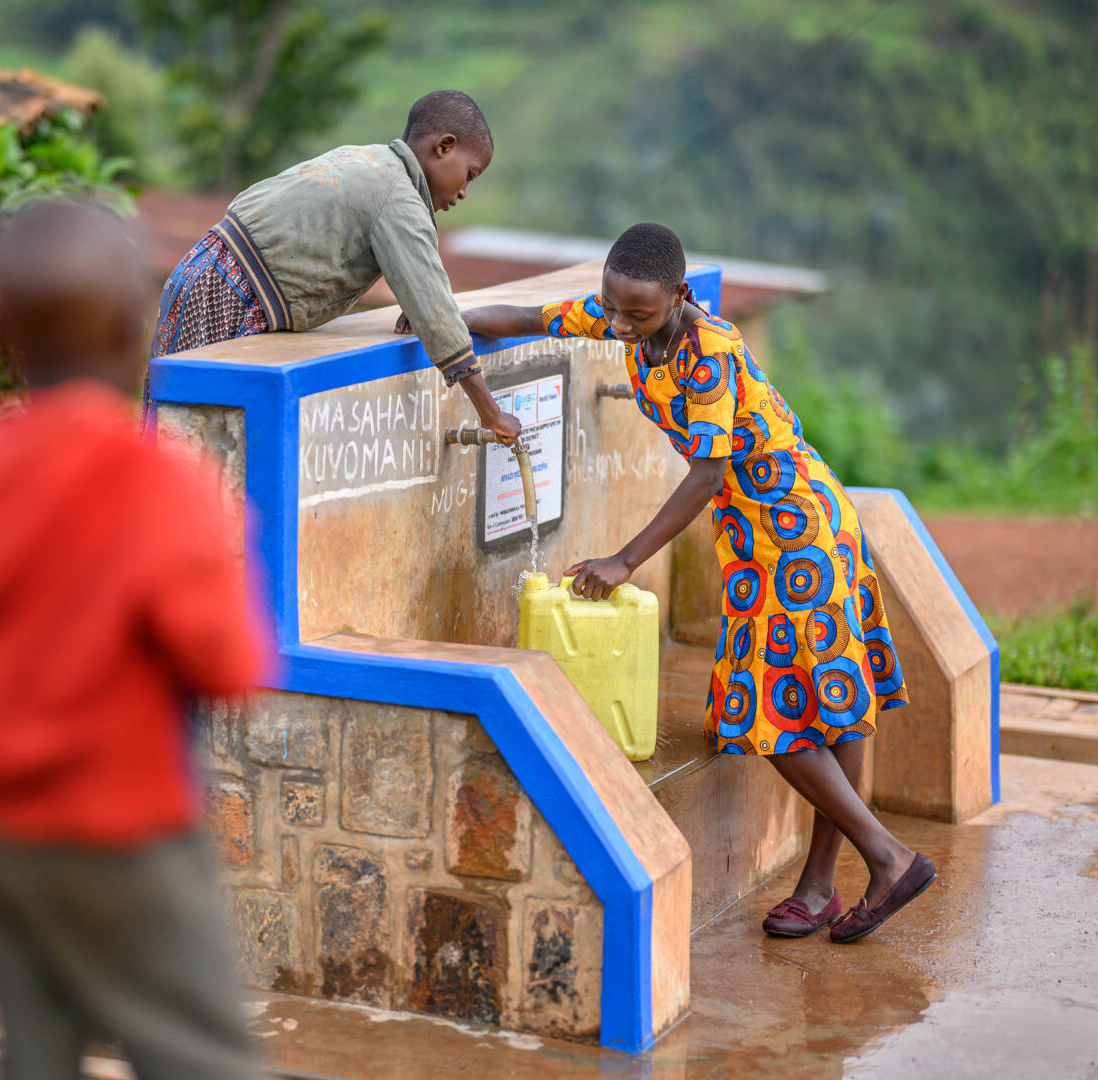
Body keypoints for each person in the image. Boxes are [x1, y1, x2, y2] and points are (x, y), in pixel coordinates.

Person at [0, 199, 275, 1080]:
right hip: (129, 832)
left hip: (0, 834)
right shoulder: (157, 485)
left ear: (3, 328)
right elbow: (231, 664)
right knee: (200, 1053)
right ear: (135, 332)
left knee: (37, 1048)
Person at [454, 223, 935, 943]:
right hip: (776, 532)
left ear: (679, 295)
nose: (618, 324)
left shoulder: (709, 354)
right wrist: (444, 322)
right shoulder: (627, 319)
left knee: (771, 713)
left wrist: (624, 558)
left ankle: (888, 857)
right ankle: (821, 885)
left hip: (795, 537)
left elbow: (707, 474)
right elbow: (526, 318)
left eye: (636, 314)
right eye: (612, 310)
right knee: (830, 697)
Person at [151, 89, 522, 445]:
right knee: (190, 442)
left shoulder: (369, 159)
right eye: (469, 175)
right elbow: (439, 316)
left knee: (172, 430)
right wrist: (491, 415)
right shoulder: (399, 198)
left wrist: (415, 305)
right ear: (445, 147)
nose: (463, 193)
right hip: (227, 294)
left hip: (204, 271)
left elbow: (417, 283)